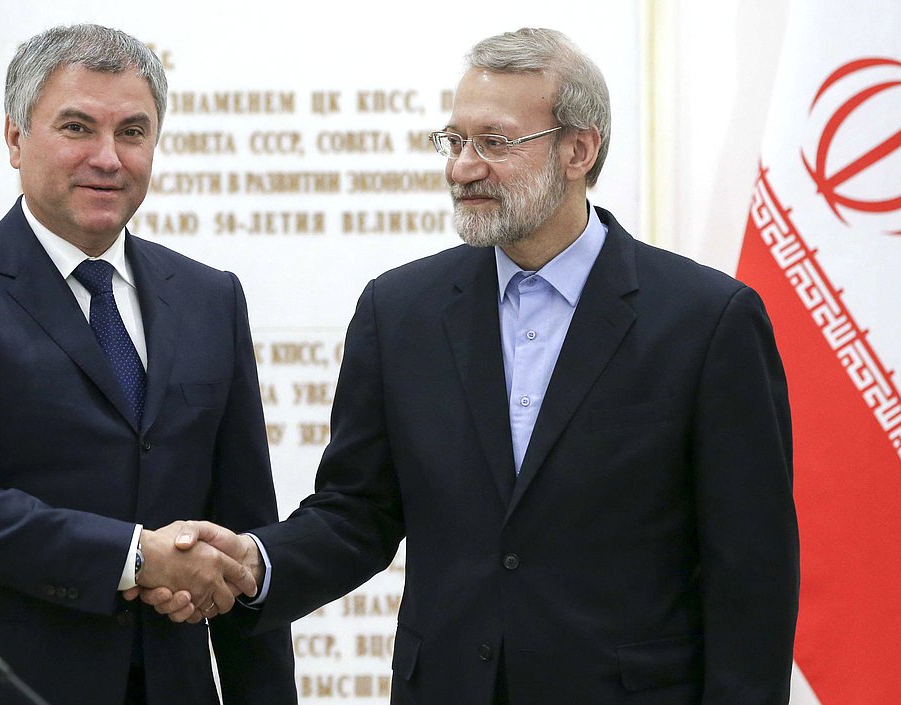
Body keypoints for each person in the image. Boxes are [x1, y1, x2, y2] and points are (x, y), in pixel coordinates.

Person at [149, 27, 799, 705]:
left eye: (495, 141)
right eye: (454, 140)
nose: (463, 167)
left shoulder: (707, 320)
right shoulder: (399, 311)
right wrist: (257, 563)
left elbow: (751, 573)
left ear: (578, 150)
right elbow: (357, 513)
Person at [0, 24, 294, 705]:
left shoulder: (211, 297)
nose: (107, 157)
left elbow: (240, 535)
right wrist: (133, 555)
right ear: (15, 138)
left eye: (132, 131)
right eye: (76, 127)